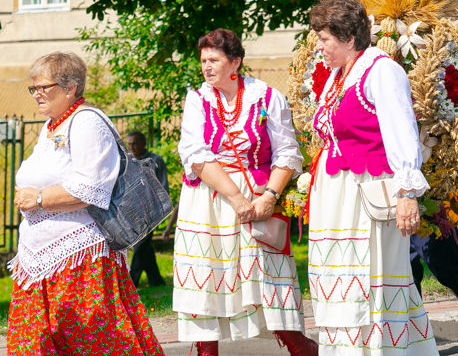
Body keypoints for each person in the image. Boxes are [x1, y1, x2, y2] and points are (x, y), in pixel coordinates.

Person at [8, 52, 164, 355]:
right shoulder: (52, 125)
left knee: (91, 341)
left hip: (79, 259)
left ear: (70, 88)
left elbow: (91, 189)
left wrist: (38, 199)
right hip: (40, 256)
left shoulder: (87, 123)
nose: (36, 93)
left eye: (44, 87)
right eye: (33, 88)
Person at [306, 0, 438, 355]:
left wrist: (408, 192)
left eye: (324, 39)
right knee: (340, 282)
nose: (319, 47)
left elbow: (401, 130)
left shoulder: (380, 70)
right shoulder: (338, 76)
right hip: (335, 196)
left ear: (349, 37)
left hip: (366, 195)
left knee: (370, 281)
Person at [174, 28, 314, 356]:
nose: (206, 67)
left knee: (269, 285)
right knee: (206, 282)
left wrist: (269, 196)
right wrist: (236, 198)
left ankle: (302, 349)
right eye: (203, 61)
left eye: (214, 60)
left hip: (259, 199)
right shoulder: (197, 99)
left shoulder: (266, 97)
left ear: (235, 62)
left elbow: (287, 152)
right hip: (209, 202)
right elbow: (194, 155)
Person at [127, 130, 169, 288]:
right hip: (133, 211)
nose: (132, 147)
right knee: (145, 247)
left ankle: (131, 282)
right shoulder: (128, 162)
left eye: (135, 143)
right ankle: (156, 280)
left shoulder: (155, 160)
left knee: (140, 244)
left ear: (144, 143)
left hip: (151, 211)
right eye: (130, 144)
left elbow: (163, 187)